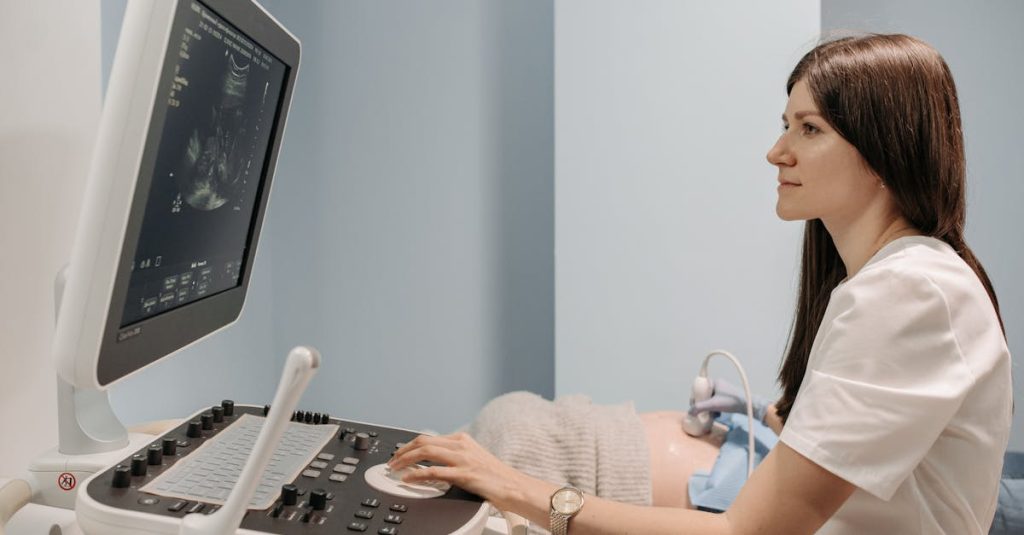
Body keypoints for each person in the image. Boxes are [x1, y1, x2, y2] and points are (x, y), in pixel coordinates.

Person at [389, 33, 1013, 534]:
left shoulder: (911, 292)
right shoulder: (895, 282)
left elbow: (748, 532)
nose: (777, 151)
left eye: (809, 128)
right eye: (785, 124)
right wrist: (773, 417)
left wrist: (515, 487)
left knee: (508, 451)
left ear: (883, 152)